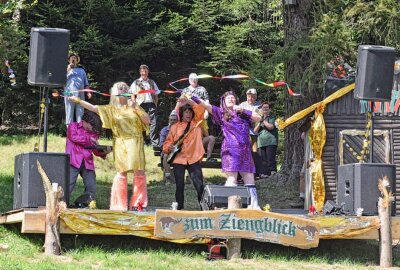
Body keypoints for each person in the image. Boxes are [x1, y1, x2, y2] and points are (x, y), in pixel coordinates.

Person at [68, 82, 150, 211]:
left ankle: (139, 204)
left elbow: (147, 121)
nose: (123, 89)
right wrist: (78, 100)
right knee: (121, 173)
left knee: (139, 172)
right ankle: (119, 205)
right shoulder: (111, 109)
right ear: (115, 93)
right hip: (121, 143)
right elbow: (94, 108)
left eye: (125, 88)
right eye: (120, 88)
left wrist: (136, 107)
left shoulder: (135, 106)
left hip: (136, 142)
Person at [192, 91, 262, 209]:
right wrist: (191, 96)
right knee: (232, 178)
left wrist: (242, 110)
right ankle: (230, 206)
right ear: (223, 101)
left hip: (245, 150)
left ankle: (254, 205)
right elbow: (205, 105)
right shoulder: (220, 112)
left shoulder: (242, 112)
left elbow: (258, 118)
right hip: (230, 150)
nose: (231, 99)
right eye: (228, 98)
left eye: (233, 98)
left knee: (249, 178)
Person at [162, 95, 205, 210]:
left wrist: (189, 101)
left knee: (199, 185)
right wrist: (169, 147)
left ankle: (204, 208)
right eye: (185, 112)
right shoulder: (175, 127)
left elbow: (201, 110)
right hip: (178, 159)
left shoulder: (197, 124)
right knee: (179, 186)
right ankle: (179, 208)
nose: (188, 114)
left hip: (193, 158)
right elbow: (166, 144)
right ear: (181, 113)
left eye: (190, 112)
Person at [66, 111, 111, 204]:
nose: (93, 128)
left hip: (87, 162)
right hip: (73, 161)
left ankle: (82, 204)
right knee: (68, 185)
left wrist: (104, 152)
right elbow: (74, 137)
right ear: (84, 121)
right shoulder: (73, 126)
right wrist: (89, 139)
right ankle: (61, 205)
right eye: (92, 125)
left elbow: (95, 151)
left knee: (92, 187)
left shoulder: (93, 133)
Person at [129, 64, 160, 147]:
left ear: (148, 72)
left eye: (146, 71)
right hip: (140, 105)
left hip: (151, 104)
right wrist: (134, 103)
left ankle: (155, 143)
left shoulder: (152, 82)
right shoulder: (136, 82)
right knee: (140, 123)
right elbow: (132, 93)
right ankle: (142, 142)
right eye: (142, 71)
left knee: (154, 123)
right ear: (140, 72)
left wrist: (155, 104)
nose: (144, 73)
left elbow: (156, 94)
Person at [239, 88, 265, 178]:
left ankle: (257, 172)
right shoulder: (242, 104)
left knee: (254, 152)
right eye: (249, 96)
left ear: (256, 96)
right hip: (242, 132)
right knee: (243, 152)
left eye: (252, 96)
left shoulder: (258, 106)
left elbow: (260, 118)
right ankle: (241, 174)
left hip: (254, 132)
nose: (250, 98)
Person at [64, 53, 90, 125]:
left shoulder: (81, 70)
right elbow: (60, 80)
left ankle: (80, 131)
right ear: (69, 60)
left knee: (80, 112)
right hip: (68, 93)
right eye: (71, 58)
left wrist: (88, 92)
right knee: (69, 111)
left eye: (75, 58)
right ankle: (70, 132)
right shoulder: (65, 69)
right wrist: (69, 68)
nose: (73, 59)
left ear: (77, 60)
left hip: (80, 94)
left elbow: (86, 84)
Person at [254, 102, 278, 177]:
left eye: (266, 107)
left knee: (270, 158)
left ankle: (272, 172)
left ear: (269, 109)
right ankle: (264, 173)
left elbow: (271, 127)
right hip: (261, 142)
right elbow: (255, 131)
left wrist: (263, 120)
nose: (265, 109)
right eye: (263, 108)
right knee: (262, 159)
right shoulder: (259, 119)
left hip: (271, 141)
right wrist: (259, 122)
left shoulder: (272, 117)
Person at [159, 111, 178, 183]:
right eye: (171, 120)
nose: (173, 121)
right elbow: (161, 144)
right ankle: (168, 178)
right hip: (167, 150)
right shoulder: (164, 130)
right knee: (165, 156)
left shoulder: (180, 129)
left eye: (174, 120)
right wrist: (168, 147)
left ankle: (189, 178)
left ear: (177, 121)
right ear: (169, 120)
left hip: (178, 151)